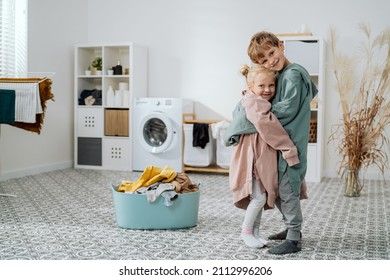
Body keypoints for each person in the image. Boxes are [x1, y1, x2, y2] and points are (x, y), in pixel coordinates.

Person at [247, 31, 318, 254]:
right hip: (285, 144)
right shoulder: (285, 73)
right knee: (279, 190)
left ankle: (294, 239)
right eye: (264, 60)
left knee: (288, 192)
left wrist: (258, 112)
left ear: (281, 45)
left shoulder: (292, 75)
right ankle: (290, 229)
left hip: (291, 145)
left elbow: (286, 110)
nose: (270, 61)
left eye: (271, 53)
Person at [223, 64, 302, 248]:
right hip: (253, 158)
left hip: (257, 155)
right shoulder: (253, 102)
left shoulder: (254, 99)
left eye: (271, 85)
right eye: (261, 86)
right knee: (258, 197)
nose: (267, 90)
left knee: (259, 196)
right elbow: (269, 128)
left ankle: (255, 233)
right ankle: (246, 232)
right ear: (251, 86)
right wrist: (289, 150)